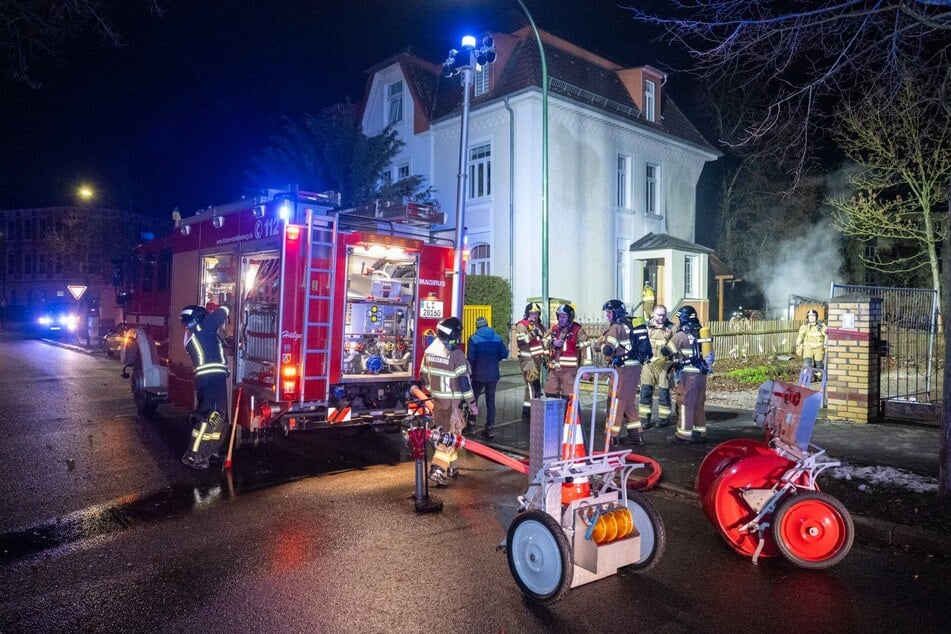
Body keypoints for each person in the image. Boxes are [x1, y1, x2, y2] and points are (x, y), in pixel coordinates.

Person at [420, 316, 479, 486]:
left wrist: (432, 390)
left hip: (437, 402)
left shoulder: (430, 350)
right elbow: (464, 383)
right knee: (449, 438)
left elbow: (423, 375)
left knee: (447, 434)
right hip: (452, 405)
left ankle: (453, 467)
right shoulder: (456, 354)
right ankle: (437, 471)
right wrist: (472, 405)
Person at [180, 303, 232, 469]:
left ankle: (210, 451)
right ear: (197, 317)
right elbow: (220, 315)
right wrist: (228, 304)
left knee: (217, 417)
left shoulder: (195, 332)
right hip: (211, 380)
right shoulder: (200, 328)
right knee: (211, 418)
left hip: (211, 379)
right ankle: (194, 455)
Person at [599, 300, 650, 446]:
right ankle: (636, 435)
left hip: (623, 370)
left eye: (609, 312)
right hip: (634, 368)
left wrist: (600, 345)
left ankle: (612, 435)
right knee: (628, 402)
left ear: (615, 313)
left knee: (617, 400)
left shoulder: (616, 327)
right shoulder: (629, 324)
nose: (607, 316)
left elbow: (609, 350)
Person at [664, 305, 713, 444]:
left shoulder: (680, 336)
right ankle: (700, 431)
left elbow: (666, 351)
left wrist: (668, 337)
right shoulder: (702, 333)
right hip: (702, 375)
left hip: (687, 375)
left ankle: (684, 434)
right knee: (698, 403)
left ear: (683, 318)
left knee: (685, 403)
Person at [467, 316, 508, 439]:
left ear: (477, 326)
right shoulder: (497, 338)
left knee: (473, 400)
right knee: (491, 401)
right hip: (493, 375)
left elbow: (470, 358)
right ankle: (490, 428)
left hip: (477, 375)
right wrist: (495, 359)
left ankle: (472, 425)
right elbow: (504, 353)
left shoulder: (474, 339)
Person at [638, 304, 675, 430]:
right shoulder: (646, 327)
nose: (661, 317)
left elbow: (675, 346)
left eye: (664, 315)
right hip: (648, 364)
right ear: (653, 314)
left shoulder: (671, 328)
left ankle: (663, 419)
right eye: (659, 314)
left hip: (664, 365)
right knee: (645, 391)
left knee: (664, 392)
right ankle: (644, 419)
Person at [544, 304, 592, 400]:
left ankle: (571, 415)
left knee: (569, 398)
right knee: (550, 394)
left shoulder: (577, 330)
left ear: (569, 318)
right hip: (554, 370)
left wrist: (586, 370)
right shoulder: (554, 329)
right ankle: (556, 415)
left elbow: (586, 349)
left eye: (563, 317)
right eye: (559, 316)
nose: (560, 319)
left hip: (569, 372)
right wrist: (553, 342)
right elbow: (544, 340)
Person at [514, 302, 547, 418]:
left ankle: (527, 411)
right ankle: (534, 411)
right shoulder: (522, 325)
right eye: (532, 313)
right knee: (532, 385)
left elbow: (544, 342)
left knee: (534, 387)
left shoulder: (540, 326)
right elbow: (521, 341)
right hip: (527, 359)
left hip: (537, 360)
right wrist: (533, 333)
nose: (534, 316)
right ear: (527, 313)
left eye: (536, 314)